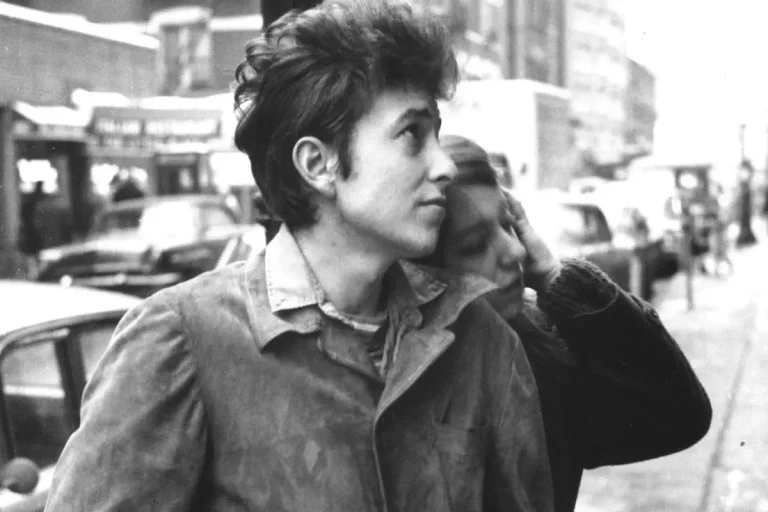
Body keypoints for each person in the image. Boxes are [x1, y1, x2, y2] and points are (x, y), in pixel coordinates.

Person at [45, 3, 555, 511]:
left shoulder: (478, 337)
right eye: (412, 135)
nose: (444, 166)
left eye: (437, 134)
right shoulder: (182, 341)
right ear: (318, 164)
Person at [421, 135, 712, 512]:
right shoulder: (396, 398)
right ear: (424, 275)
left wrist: (554, 275)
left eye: (508, 226)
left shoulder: (539, 359)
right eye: (476, 245)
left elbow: (681, 414)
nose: (516, 250)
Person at [17, 180, 46, 279]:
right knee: (34, 258)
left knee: (33, 259)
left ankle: (35, 276)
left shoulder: (32, 201)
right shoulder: (36, 202)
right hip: (33, 235)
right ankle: (35, 276)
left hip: (33, 235)